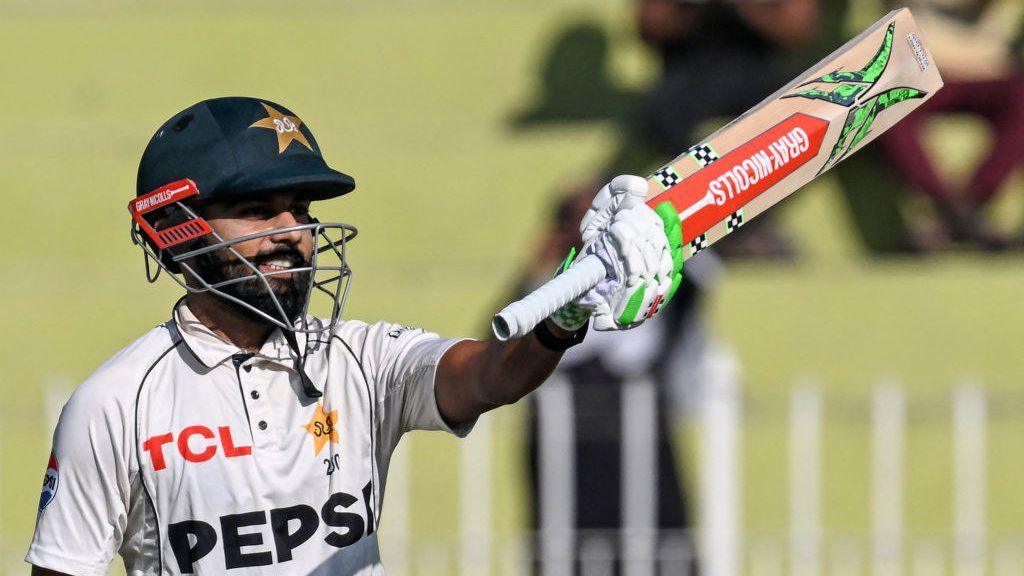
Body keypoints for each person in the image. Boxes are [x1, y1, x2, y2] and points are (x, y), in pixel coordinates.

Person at [25, 97, 684, 576]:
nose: (293, 232)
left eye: (304, 210)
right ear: (177, 227)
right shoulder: (116, 404)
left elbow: (490, 375)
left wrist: (564, 313)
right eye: (258, 210)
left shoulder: (358, 359)